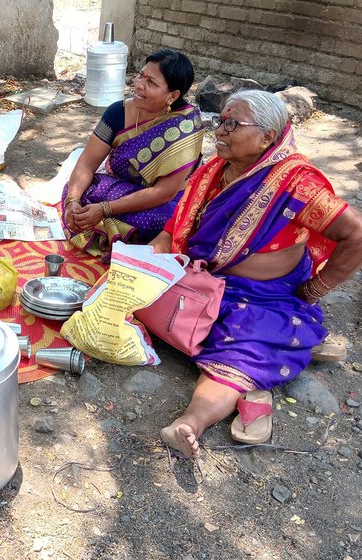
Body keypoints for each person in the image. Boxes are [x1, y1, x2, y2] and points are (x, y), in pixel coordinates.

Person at [152, 90, 362, 458]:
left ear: (267, 137)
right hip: (199, 279)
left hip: (262, 296)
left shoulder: (297, 183)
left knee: (239, 353)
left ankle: (191, 422)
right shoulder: (214, 169)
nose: (219, 130)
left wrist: (314, 290)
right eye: (220, 121)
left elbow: (356, 234)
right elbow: (176, 227)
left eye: (232, 124)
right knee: (127, 299)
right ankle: (276, 356)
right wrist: (150, 264)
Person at [62, 49, 205, 262]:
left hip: (161, 201)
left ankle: (113, 237)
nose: (139, 84)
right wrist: (72, 202)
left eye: (152, 83)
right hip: (121, 187)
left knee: (159, 221)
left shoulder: (185, 126)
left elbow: (163, 192)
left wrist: (104, 209)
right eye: (141, 75)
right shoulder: (117, 112)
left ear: (172, 96)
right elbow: (86, 163)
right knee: (76, 191)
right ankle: (110, 234)